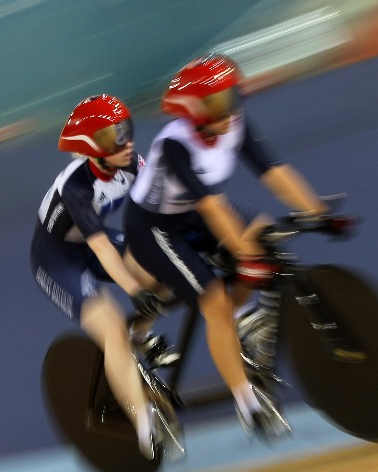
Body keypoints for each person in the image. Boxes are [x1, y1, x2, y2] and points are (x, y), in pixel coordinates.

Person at [124, 55, 329, 443]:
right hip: (154, 228)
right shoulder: (175, 145)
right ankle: (247, 401)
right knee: (214, 299)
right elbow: (212, 207)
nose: (230, 109)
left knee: (263, 234)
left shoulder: (235, 124)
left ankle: (236, 319)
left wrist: (317, 211)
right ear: (192, 111)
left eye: (230, 96)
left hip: (192, 213)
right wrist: (244, 254)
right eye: (217, 102)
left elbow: (275, 172)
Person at [31, 94, 179, 459]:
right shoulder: (75, 186)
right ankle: (142, 424)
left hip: (90, 242)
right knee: (110, 326)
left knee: (166, 269)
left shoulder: (131, 165)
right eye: (113, 137)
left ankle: (139, 337)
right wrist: (133, 289)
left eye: (125, 131)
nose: (126, 142)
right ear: (91, 149)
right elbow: (100, 248)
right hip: (57, 260)